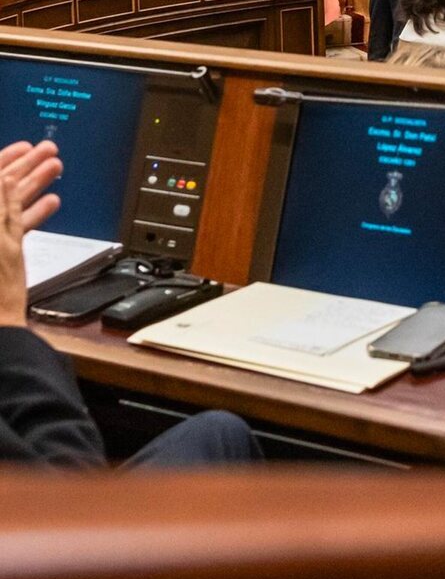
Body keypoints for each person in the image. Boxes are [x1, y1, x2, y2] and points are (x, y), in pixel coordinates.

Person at [0, 138, 262, 467]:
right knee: (223, 436)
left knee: (220, 432)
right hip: (60, 510)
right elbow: (66, 505)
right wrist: (8, 324)